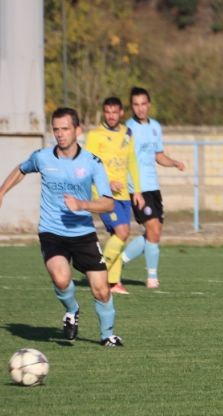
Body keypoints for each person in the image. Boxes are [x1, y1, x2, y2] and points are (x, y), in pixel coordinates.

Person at [0, 107, 123, 347]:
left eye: (65, 129)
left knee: (101, 290)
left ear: (77, 130)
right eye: (56, 129)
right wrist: (0, 194)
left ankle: (107, 335)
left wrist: (82, 204)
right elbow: (21, 169)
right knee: (61, 278)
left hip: (83, 233)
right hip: (52, 231)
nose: (60, 134)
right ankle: (72, 310)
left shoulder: (92, 163)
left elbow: (108, 202)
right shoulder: (42, 157)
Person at [122, 86, 186, 289]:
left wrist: (174, 163)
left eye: (143, 104)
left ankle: (117, 262)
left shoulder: (156, 127)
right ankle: (152, 277)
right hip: (137, 188)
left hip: (153, 187)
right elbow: (124, 160)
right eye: (136, 104)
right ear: (131, 106)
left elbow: (159, 156)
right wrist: (134, 189)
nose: (140, 108)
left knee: (154, 233)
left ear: (149, 105)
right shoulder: (127, 129)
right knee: (153, 229)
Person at [85, 96, 145, 295]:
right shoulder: (95, 135)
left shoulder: (127, 133)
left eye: (114, 112)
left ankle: (114, 282)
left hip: (123, 195)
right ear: (104, 113)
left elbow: (132, 162)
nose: (111, 116)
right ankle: (99, 272)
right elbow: (89, 165)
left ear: (121, 113)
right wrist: (107, 183)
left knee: (118, 237)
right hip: (103, 194)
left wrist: (137, 190)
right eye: (107, 112)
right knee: (122, 232)